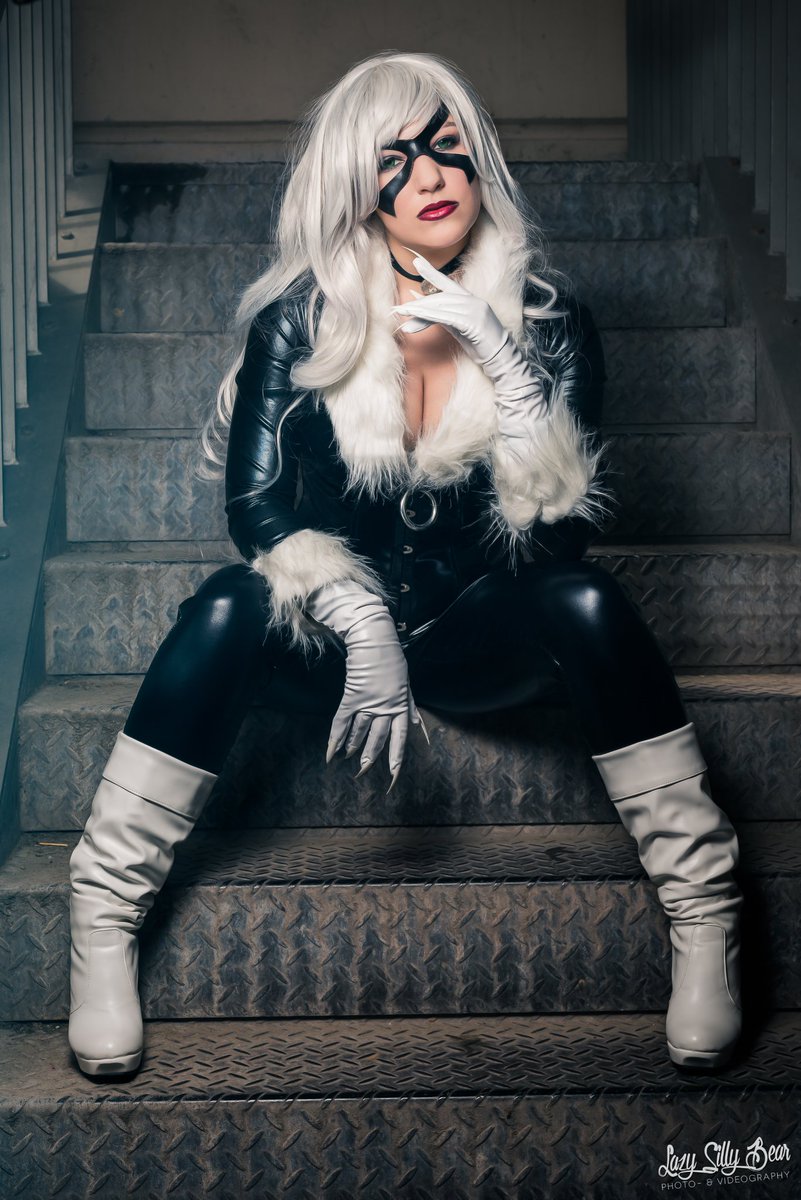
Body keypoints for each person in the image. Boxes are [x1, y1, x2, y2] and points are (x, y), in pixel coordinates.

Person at [67, 49, 743, 1078]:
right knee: (226, 606)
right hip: (339, 649)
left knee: (585, 598)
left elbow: (557, 540)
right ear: (356, 183)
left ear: (480, 163)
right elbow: (255, 508)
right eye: (396, 159)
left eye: (449, 149)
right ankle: (104, 913)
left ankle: (705, 915)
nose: (431, 178)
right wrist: (358, 615)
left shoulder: (549, 320)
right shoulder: (299, 319)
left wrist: (506, 366)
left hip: (476, 639)